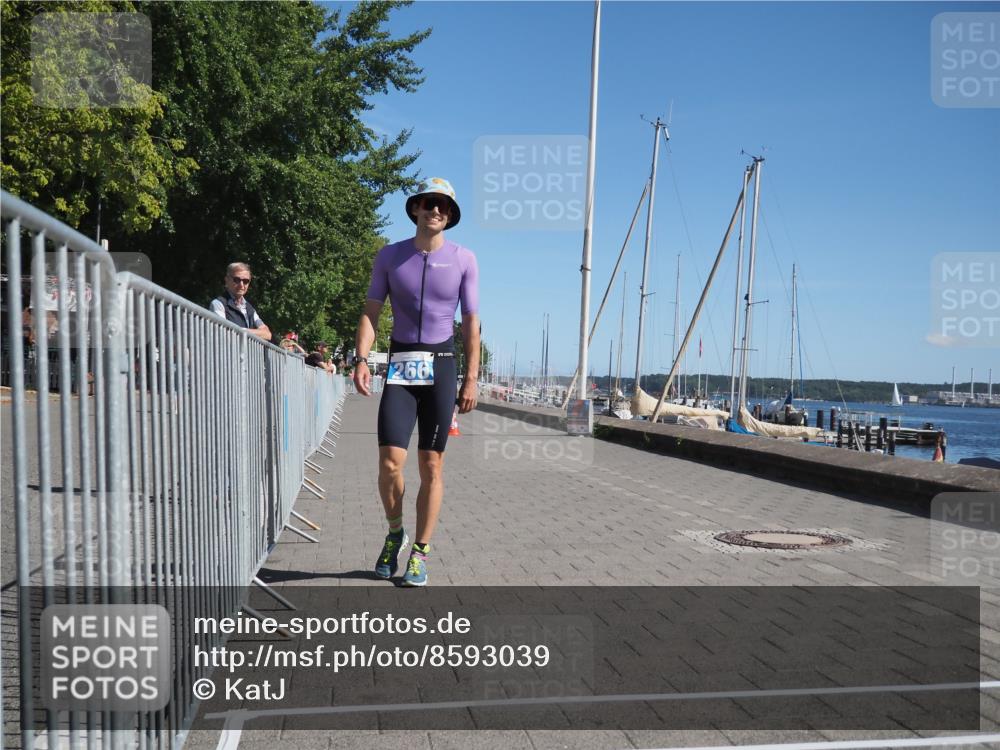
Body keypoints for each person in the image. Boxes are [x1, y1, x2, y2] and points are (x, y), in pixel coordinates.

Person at [352, 177, 479, 587]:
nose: (435, 210)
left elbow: (472, 324)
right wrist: (360, 359)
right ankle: (395, 533)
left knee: (431, 464)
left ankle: (420, 552)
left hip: (441, 365)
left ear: (450, 215)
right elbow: (371, 311)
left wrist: (471, 378)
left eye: (443, 205)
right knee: (390, 462)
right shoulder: (390, 256)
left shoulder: (464, 259)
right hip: (402, 363)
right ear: (415, 209)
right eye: (429, 202)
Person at [210, 262, 272, 341]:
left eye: (245, 281)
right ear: (226, 280)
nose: (241, 285)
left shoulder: (250, 309)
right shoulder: (218, 304)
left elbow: (267, 334)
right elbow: (224, 333)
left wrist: (242, 331)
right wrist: (254, 332)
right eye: (237, 280)